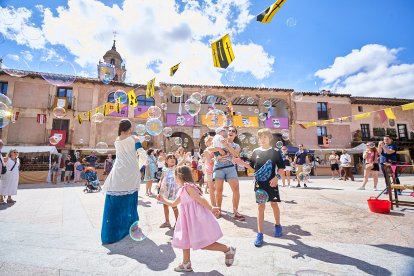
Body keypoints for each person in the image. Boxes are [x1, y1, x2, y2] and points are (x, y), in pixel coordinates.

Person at [157, 165, 236, 272]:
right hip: (186, 220)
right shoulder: (182, 190)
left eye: (175, 176)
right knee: (184, 240)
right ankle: (186, 263)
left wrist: (211, 208)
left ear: (180, 176)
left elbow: (200, 199)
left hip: (195, 219)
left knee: (202, 244)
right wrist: (163, 199)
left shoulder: (188, 187)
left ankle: (227, 249)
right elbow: (174, 203)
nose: (174, 179)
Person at [236, 129, 285, 247]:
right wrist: (241, 163)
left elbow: (281, 168)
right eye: (261, 138)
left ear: (269, 138)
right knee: (260, 206)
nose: (262, 140)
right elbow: (253, 168)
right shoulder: (255, 151)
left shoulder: (275, 151)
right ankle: (260, 234)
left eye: (265, 137)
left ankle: (278, 225)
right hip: (259, 184)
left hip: (272, 183)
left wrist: (276, 177)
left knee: (274, 204)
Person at [101, 119, 146, 244]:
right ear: (130, 128)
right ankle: (130, 227)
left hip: (118, 171)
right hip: (131, 171)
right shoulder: (134, 139)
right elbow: (142, 155)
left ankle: (110, 234)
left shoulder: (117, 140)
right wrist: (140, 163)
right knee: (131, 201)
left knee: (114, 202)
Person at [210, 126, 245, 221]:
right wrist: (220, 150)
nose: (230, 132)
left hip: (230, 167)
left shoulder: (236, 145)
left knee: (236, 190)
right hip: (219, 167)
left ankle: (235, 211)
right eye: (229, 130)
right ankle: (219, 210)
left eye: (233, 131)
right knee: (219, 190)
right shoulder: (219, 139)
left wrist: (227, 145)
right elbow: (210, 148)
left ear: (236, 134)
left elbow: (236, 154)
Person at [158, 154, 179, 228]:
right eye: (170, 158)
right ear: (166, 161)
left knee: (174, 205)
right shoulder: (164, 169)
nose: (173, 159)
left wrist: (185, 158)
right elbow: (161, 178)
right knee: (165, 205)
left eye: (174, 158)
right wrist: (159, 184)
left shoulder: (176, 168)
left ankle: (178, 223)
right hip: (165, 190)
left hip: (172, 190)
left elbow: (181, 163)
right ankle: (167, 222)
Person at [203, 135, 216, 206]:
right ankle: (213, 205)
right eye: (210, 141)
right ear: (206, 143)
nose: (211, 142)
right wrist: (218, 158)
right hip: (209, 170)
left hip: (216, 169)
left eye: (212, 140)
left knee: (217, 189)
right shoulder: (206, 151)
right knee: (211, 189)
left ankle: (217, 205)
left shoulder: (215, 149)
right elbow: (210, 161)